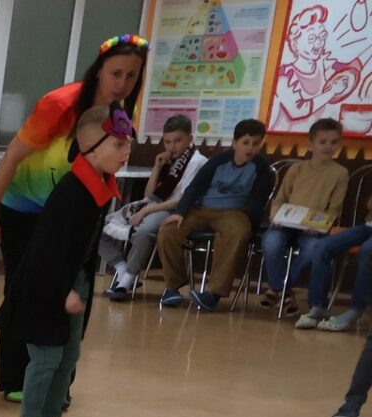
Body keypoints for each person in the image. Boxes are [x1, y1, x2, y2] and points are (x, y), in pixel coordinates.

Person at [0, 33, 148, 398]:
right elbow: (12, 156)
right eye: (116, 73)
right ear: (99, 70)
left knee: (76, 296)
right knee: (27, 293)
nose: (122, 83)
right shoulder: (60, 104)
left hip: (78, 217)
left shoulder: (122, 115)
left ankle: (58, 383)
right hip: (26, 210)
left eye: (132, 76)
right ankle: (17, 380)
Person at [0, 107, 133, 417]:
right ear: (91, 149)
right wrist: (64, 291)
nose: (126, 151)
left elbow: (82, 248)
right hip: (44, 285)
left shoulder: (98, 186)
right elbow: (47, 251)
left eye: (128, 144)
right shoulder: (72, 193)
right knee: (45, 358)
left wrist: (80, 285)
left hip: (72, 281)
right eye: (118, 144)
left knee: (68, 356)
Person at [156, 118, 271, 312]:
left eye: (256, 143)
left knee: (238, 233)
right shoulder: (218, 161)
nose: (250, 148)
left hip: (233, 212)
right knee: (168, 230)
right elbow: (195, 187)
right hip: (201, 209)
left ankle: (213, 294)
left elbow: (258, 201)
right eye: (245, 142)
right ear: (234, 143)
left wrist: (251, 227)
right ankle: (173, 287)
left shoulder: (262, 168)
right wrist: (180, 212)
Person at [101, 114, 203, 302]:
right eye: (167, 142)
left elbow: (182, 200)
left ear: (190, 138)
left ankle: (126, 281)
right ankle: (122, 269)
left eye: (178, 141)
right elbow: (149, 195)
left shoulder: (197, 161)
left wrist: (145, 211)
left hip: (177, 210)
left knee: (145, 229)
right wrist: (157, 167)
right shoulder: (169, 160)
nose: (172, 147)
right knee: (99, 225)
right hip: (156, 205)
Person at [257, 117, 346, 312]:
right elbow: (280, 198)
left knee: (314, 249)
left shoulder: (340, 173)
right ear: (311, 143)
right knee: (271, 242)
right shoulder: (297, 169)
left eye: (333, 142)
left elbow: (334, 208)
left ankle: (279, 287)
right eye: (323, 142)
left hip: (312, 227)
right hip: (286, 223)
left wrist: (320, 225)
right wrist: (275, 216)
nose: (328, 146)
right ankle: (285, 290)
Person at [296, 186, 372, 331]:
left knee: (367, 251)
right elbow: (369, 204)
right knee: (321, 246)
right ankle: (318, 306)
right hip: (368, 226)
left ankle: (356, 309)